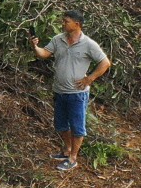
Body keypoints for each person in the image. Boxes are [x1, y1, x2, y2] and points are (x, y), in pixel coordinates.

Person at [30, 10, 111, 172]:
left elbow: (105, 63)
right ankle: (67, 150)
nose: (63, 23)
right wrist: (35, 46)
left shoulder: (88, 44)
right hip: (59, 91)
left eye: (66, 21)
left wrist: (90, 79)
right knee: (60, 125)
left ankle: (73, 158)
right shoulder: (58, 40)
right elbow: (44, 54)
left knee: (77, 126)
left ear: (77, 24)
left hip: (77, 94)